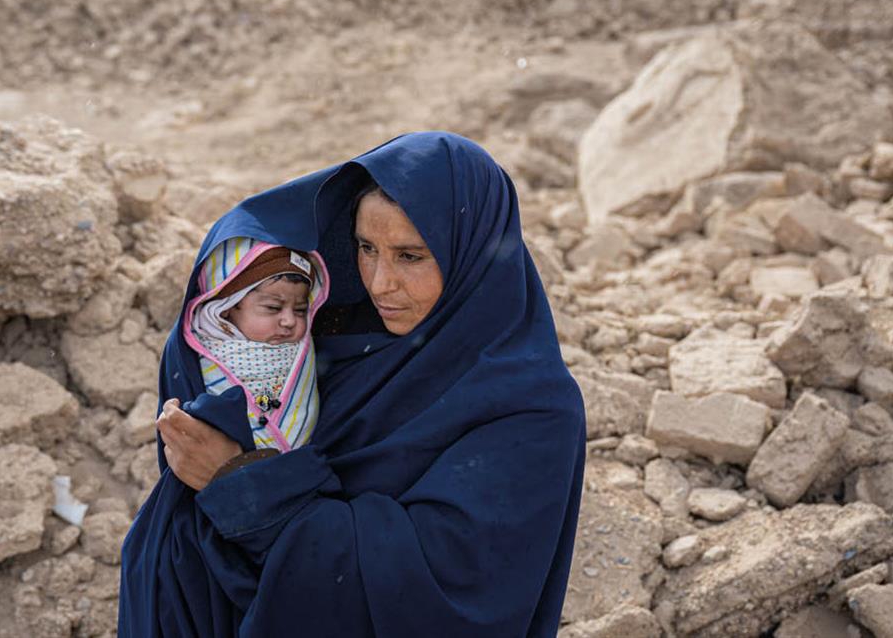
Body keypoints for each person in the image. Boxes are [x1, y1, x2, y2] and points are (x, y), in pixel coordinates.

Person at [119, 131, 586, 638]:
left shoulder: (531, 409)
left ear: (470, 254)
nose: (381, 282)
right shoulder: (329, 342)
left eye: (411, 256)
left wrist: (240, 484)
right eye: (366, 248)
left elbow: (440, 599)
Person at [182, 238, 326, 454]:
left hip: (293, 466)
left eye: (299, 310)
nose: (289, 320)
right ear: (226, 307)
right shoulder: (203, 352)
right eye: (273, 307)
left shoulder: (301, 351)